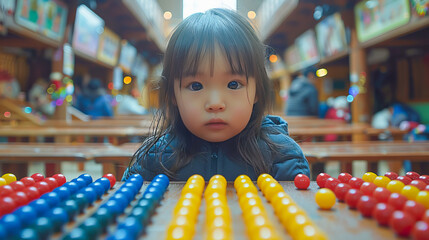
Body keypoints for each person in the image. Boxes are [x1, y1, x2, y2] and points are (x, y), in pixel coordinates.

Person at [122, 8, 310, 182]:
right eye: (196, 86)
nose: (215, 103)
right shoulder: (154, 158)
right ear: (173, 94)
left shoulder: (282, 157)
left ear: (257, 92)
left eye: (233, 84)